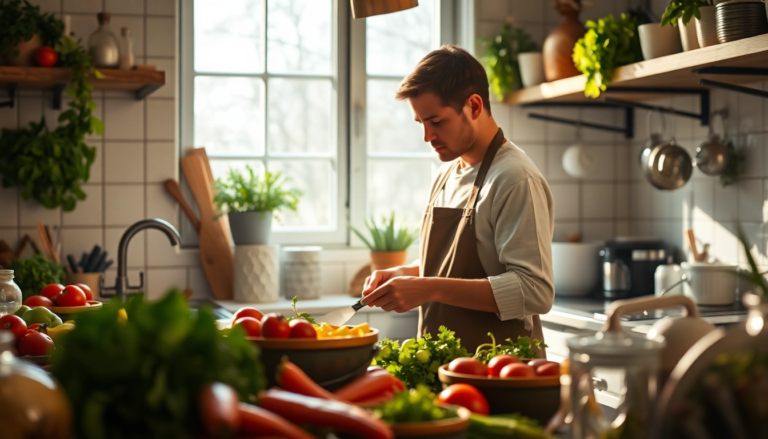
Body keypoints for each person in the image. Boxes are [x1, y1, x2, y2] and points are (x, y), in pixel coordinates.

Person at [360, 45, 555, 355]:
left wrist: (427, 287)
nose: (427, 136)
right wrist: (406, 274)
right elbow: (453, 266)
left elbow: (534, 291)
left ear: (474, 106)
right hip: (445, 368)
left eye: (436, 122)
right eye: (420, 123)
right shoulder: (447, 173)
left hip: (500, 373)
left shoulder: (515, 178)